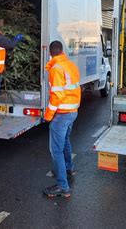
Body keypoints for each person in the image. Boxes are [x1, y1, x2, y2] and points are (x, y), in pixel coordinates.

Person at [43, 40, 81, 198]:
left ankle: (63, 186)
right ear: (62, 51)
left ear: (50, 53)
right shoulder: (70, 65)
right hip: (73, 111)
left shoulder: (56, 69)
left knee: (56, 150)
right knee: (65, 140)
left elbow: (57, 95)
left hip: (62, 113)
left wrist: (48, 115)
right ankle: (68, 167)